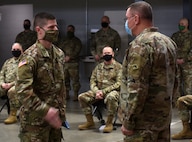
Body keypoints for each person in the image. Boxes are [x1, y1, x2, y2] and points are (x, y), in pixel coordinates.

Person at [120, 1, 178, 142]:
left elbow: (137, 87)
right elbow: (175, 79)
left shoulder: (140, 45)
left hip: (143, 125)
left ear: (136, 19)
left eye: (127, 19)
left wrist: (128, 121)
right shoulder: (169, 42)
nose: (126, 23)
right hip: (163, 120)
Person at [15, 12, 66, 142]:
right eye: (51, 28)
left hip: (54, 119)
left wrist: (61, 112)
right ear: (39, 30)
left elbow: (60, 86)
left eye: (56, 27)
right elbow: (22, 91)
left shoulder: (58, 54)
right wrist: (45, 111)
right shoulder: (30, 57)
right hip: (35, 123)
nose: (56, 30)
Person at [78, 46, 122, 133]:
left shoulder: (118, 67)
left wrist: (103, 91)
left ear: (113, 54)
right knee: (81, 97)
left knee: (111, 97)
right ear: (102, 55)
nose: (107, 55)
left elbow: (119, 84)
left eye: (108, 53)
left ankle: (109, 123)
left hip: (112, 92)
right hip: (98, 92)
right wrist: (97, 91)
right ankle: (90, 122)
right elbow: (92, 81)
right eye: (105, 53)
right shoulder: (98, 67)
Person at [0, 43, 23, 124]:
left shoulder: (24, 62)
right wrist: (2, 83)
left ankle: (13, 115)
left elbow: (22, 78)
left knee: (12, 91)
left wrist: (10, 85)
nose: (15, 51)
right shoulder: (8, 62)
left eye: (17, 50)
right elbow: (2, 73)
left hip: (18, 85)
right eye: (14, 50)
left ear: (22, 50)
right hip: (5, 84)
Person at [59, 25, 82, 101]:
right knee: (65, 80)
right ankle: (66, 94)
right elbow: (59, 50)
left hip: (73, 64)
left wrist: (70, 57)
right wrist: (64, 57)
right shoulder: (63, 40)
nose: (69, 31)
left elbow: (77, 50)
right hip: (64, 63)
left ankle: (75, 94)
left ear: (74, 30)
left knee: (75, 80)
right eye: (68, 29)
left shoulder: (77, 41)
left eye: (71, 30)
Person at [171, 18, 192, 97]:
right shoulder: (175, 36)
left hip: (188, 64)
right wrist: (175, 59)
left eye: (182, 24)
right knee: (176, 84)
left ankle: (188, 104)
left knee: (188, 86)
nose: (180, 25)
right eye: (179, 24)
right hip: (176, 63)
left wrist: (184, 59)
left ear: (187, 25)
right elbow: (171, 48)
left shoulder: (190, 36)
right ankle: (178, 104)